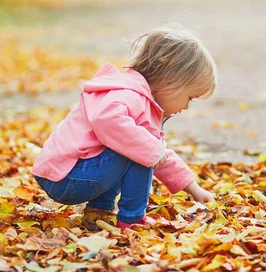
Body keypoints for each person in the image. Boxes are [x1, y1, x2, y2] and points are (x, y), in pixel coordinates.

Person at [32, 25, 217, 231]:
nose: (186, 107)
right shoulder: (129, 94)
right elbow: (106, 119)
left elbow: (160, 154)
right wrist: (151, 151)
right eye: (189, 97)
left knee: (143, 149)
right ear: (171, 80)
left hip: (64, 173)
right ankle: (132, 219)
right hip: (69, 176)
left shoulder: (140, 99)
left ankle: (99, 213)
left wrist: (194, 189)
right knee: (140, 152)